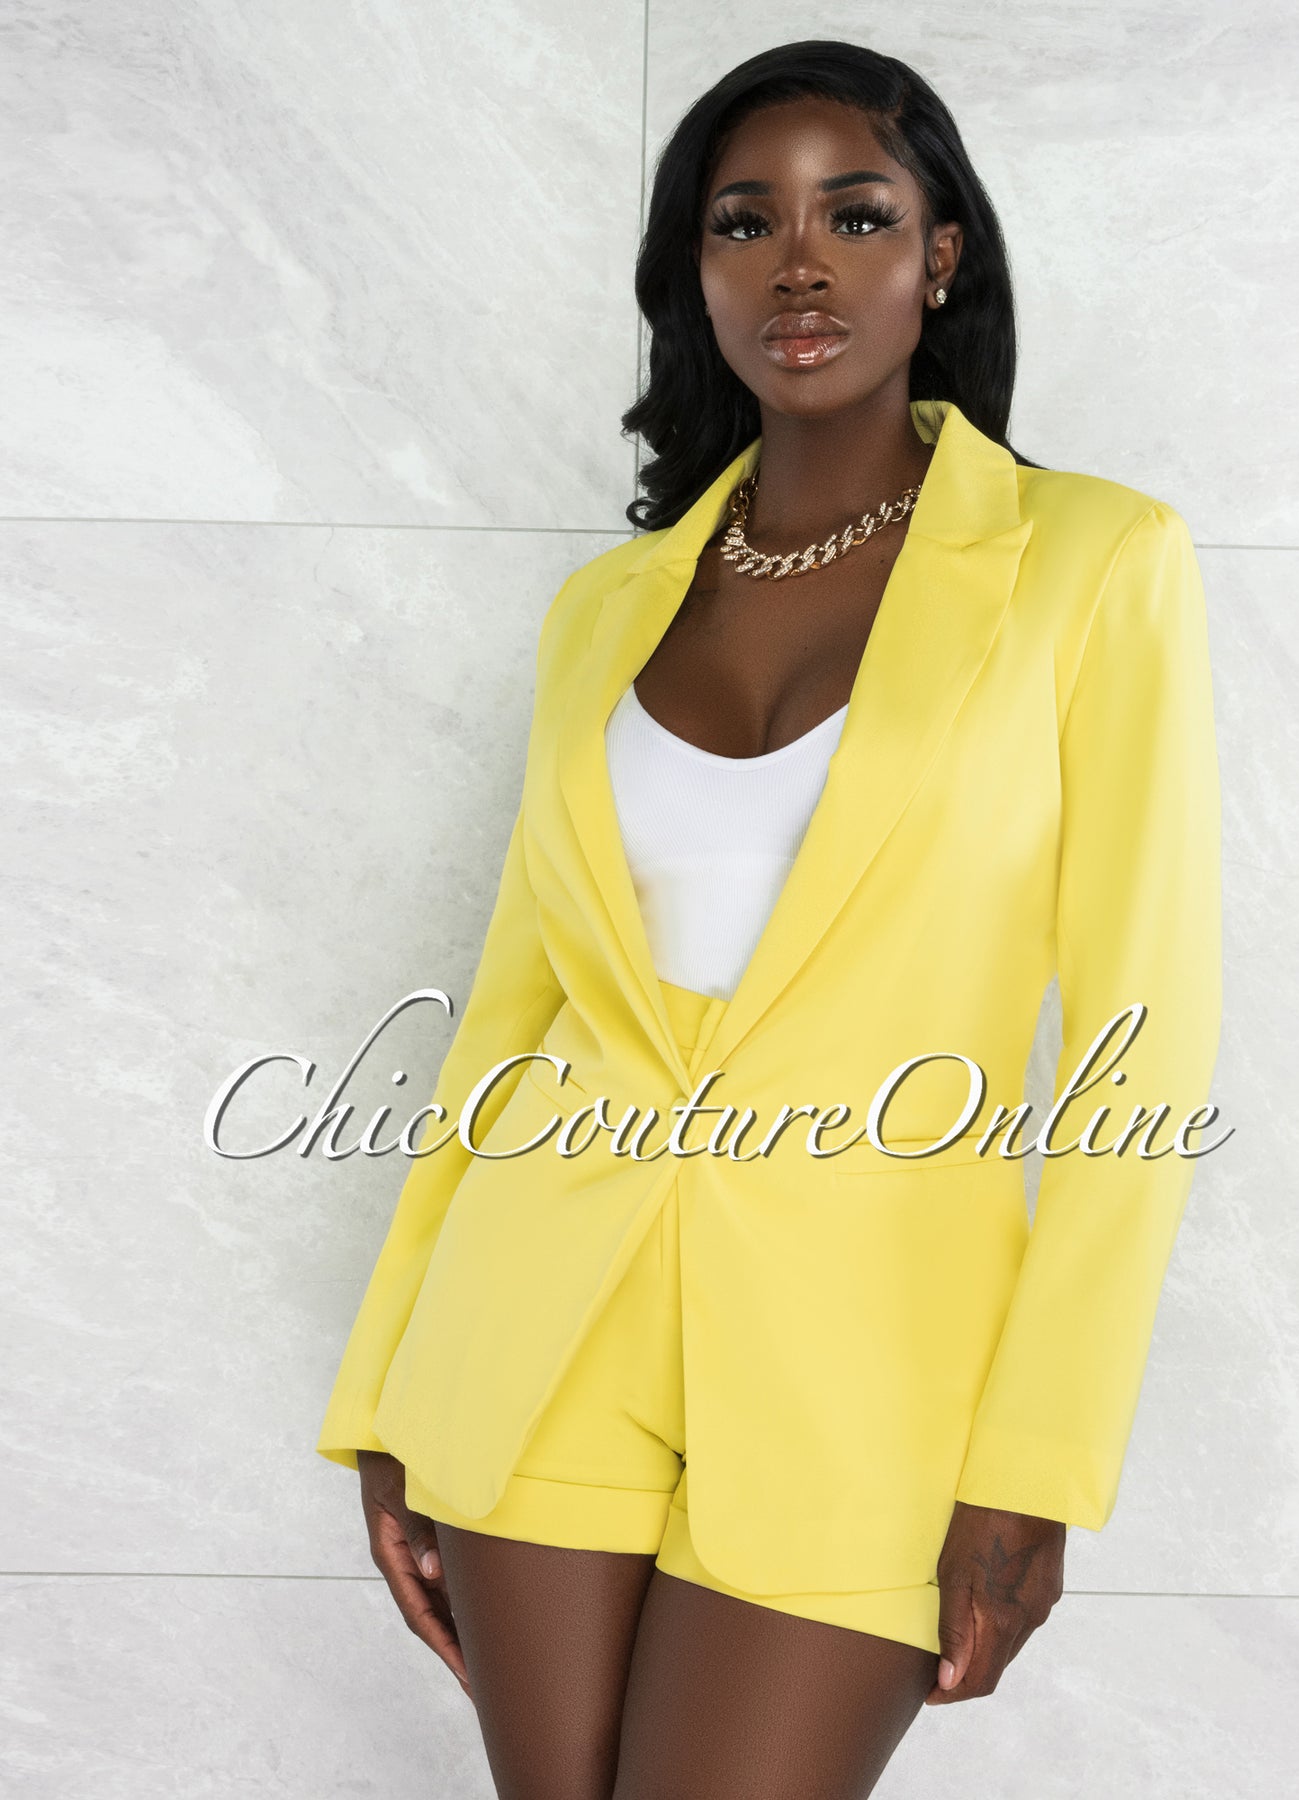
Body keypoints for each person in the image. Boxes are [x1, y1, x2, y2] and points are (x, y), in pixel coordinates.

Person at [315, 38, 1224, 1800]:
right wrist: (390, 1393)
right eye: (746, 223)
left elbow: (1144, 1043)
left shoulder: (1094, 565)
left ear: (939, 255)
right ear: (696, 274)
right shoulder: (606, 610)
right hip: (531, 1337)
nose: (798, 264)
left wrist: (1038, 1462)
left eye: (854, 214)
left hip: (866, 1377)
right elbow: (510, 1021)